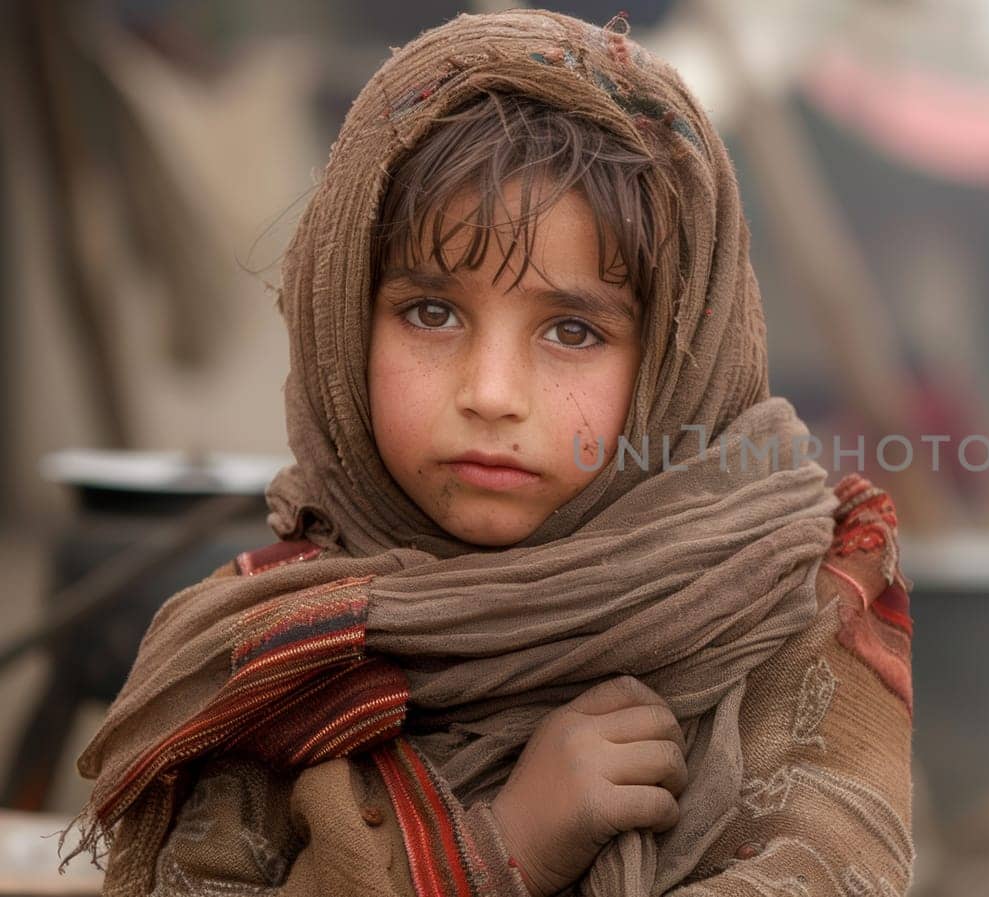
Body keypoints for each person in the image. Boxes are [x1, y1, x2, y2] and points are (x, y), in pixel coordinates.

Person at [65, 11, 915, 897]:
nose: (492, 391)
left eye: (574, 329)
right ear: (343, 320)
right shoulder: (272, 652)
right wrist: (495, 852)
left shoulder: (785, 602)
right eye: (432, 312)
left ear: (676, 359)